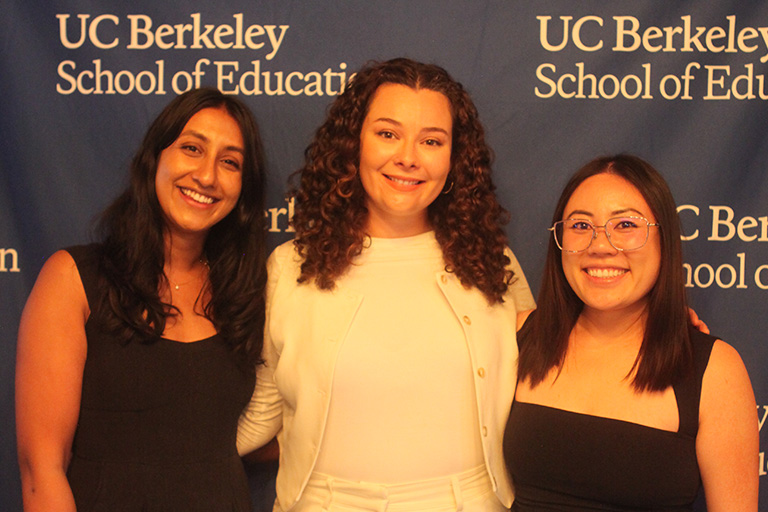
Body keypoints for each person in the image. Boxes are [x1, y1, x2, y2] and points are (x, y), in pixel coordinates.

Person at [237, 58, 535, 511]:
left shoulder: (493, 266)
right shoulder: (291, 267)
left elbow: (558, 380)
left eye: (431, 140)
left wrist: (667, 337)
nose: (408, 157)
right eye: (387, 133)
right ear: (353, 144)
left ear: (455, 159)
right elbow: (263, 410)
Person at [15, 87, 268, 512]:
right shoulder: (74, 279)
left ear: (243, 188)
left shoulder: (248, 293)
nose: (207, 176)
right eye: (191, 148)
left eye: (230, 162)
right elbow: (42, 469)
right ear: (155, 158)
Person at [503, 154, 758, 511]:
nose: (601, 245)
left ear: (664, 239)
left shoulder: (714, 371)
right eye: (580, 226)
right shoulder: (514, 337)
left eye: (625, 225)